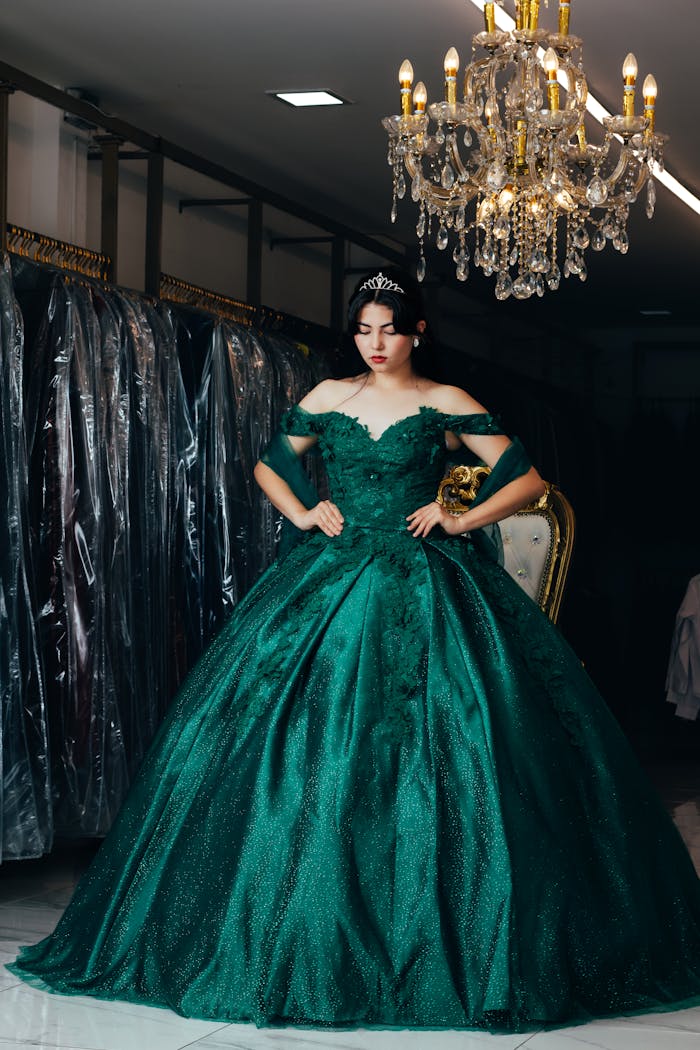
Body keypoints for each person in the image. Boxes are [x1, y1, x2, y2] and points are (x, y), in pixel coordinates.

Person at [7, 269, 700, 1034]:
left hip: (425, 577)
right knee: (291, 738)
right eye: (365, 329)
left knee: (456, 738)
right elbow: (271, 463)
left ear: (416, 334)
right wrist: (307, 510)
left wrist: (459, 517)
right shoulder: (328, 397)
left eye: (390, 330)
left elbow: (528, 479)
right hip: (328, 574)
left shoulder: (446, 402)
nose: (376, 343)